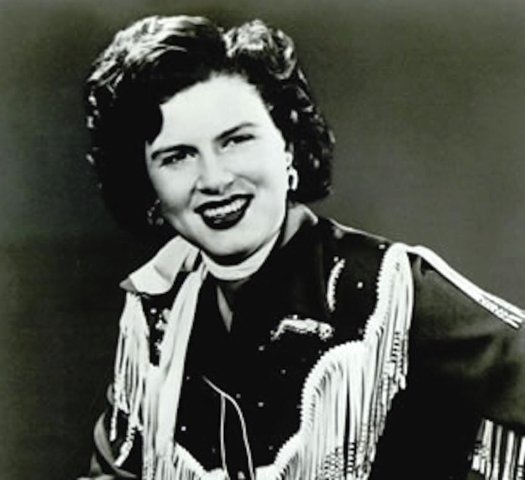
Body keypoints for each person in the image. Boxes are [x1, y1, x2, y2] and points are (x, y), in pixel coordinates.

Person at [80, 14, 525, 480]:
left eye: (236, 140)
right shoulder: (156, 311)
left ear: (287, 146)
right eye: (177, 157)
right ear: (147, 184)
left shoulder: (388, 290)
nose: (214, 179)